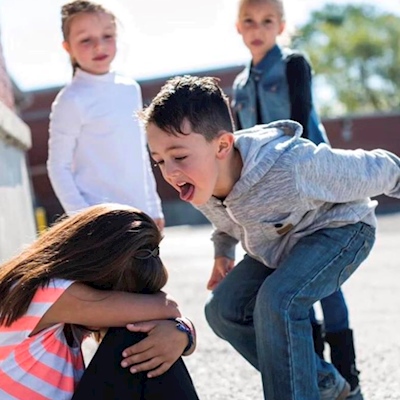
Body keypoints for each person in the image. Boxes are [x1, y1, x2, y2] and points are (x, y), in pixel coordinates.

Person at [141, 75, 400, 400]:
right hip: (280, 245)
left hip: (341, 231)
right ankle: (321, 383)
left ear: (222, 145)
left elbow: (378, 168)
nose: (169, 171)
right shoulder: (202, 183)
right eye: (159, 160)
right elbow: (226, 221)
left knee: (278, 300)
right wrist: (223, 252)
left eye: (178, 156)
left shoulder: (290, 165)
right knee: (222, 309)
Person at [231, 0, 361, 396]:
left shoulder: (292, 65)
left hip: (313, 182)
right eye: (249, 21)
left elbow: (303, 120)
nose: (258, 28)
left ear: (281, 26)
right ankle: (320, 377)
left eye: (267, 21)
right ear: (238, 28)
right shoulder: (238, 85)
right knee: (292, 279)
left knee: (327, 282)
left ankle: (348, 376)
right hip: (271, 197)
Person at [0, 203, 199, 400]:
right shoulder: (47, 291)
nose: (123, 306)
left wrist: (181, 333)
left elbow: (167, 314)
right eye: (122, 297)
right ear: (98, 270)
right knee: (135, 334)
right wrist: (181, 330)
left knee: (147, 335)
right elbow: (168, 308)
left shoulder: (47, 292)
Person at [47, 0, 164, 230]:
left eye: (107, 36)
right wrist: (84, 218)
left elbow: (140, 155)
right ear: (67, 47)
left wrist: (154, 207)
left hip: (140, 215)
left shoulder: (130, 89)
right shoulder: (70, 100)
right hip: (100, 224)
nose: (99, 46)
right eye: (85, 40)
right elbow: (57, 166)